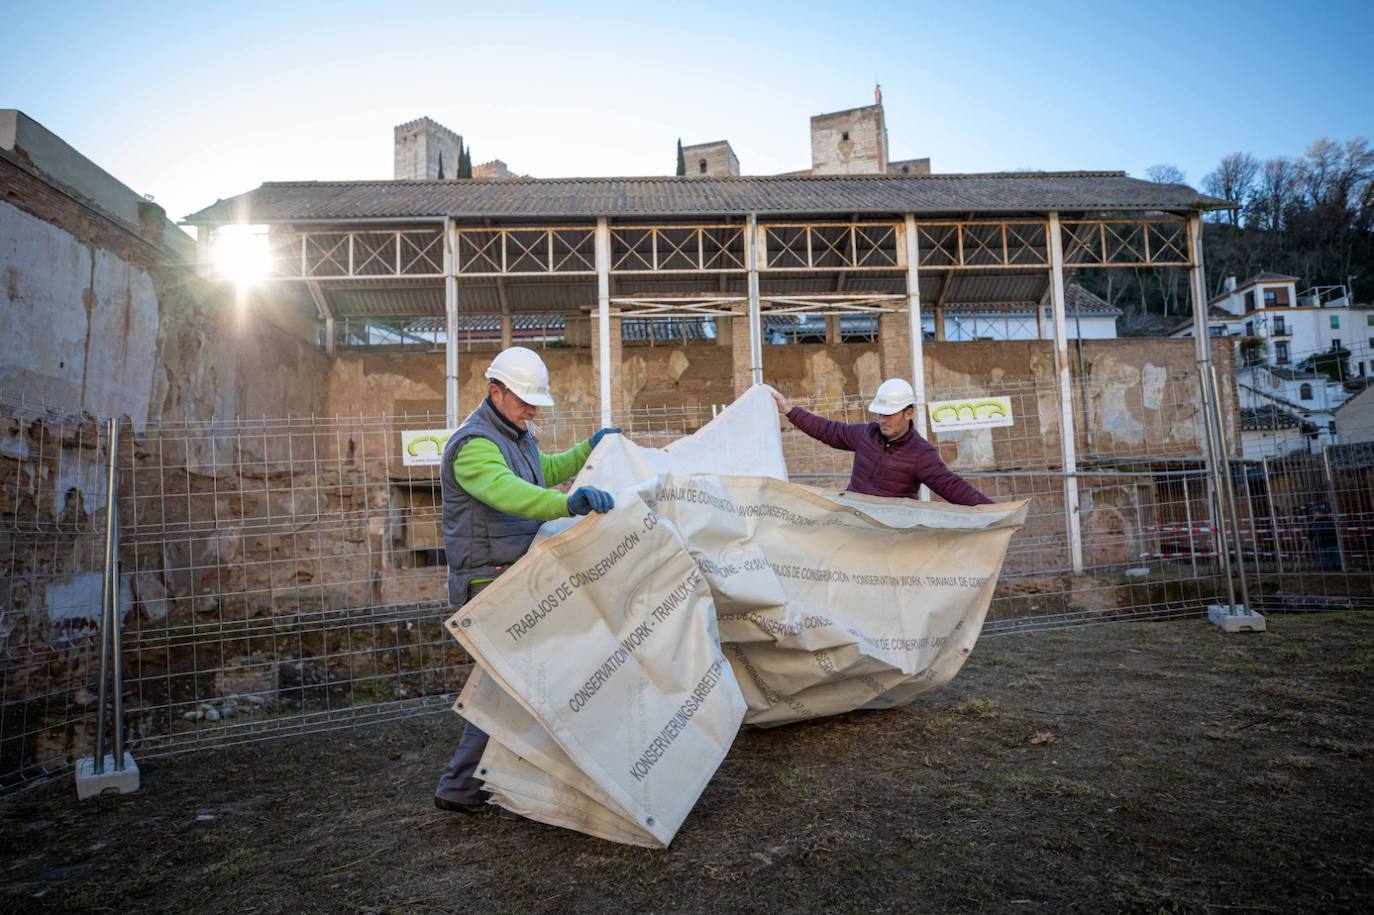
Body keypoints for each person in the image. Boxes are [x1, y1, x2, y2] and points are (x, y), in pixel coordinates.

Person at [434, 346, 619, 814]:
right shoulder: (474, 446)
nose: (532, 409)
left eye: (536, 401)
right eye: (524, 400)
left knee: (512, 682)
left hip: (514, 573)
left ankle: (471, 784)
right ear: (494, 391)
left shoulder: (518, 435)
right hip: (486, 582)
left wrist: (588, 449)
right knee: (504, 686)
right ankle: (460, 787)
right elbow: (512, 493)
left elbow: (544, 471)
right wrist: (565, 504)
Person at [771, 378, 992, 506]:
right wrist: (789, 411)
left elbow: (952, 486)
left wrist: (994, 512)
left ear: (908, 413)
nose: (882, 420)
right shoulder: (866, 434)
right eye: (880, 413)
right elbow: (828, 430)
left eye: (889, 414)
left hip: (889, 534)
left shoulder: (922, 455)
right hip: (854, 519)